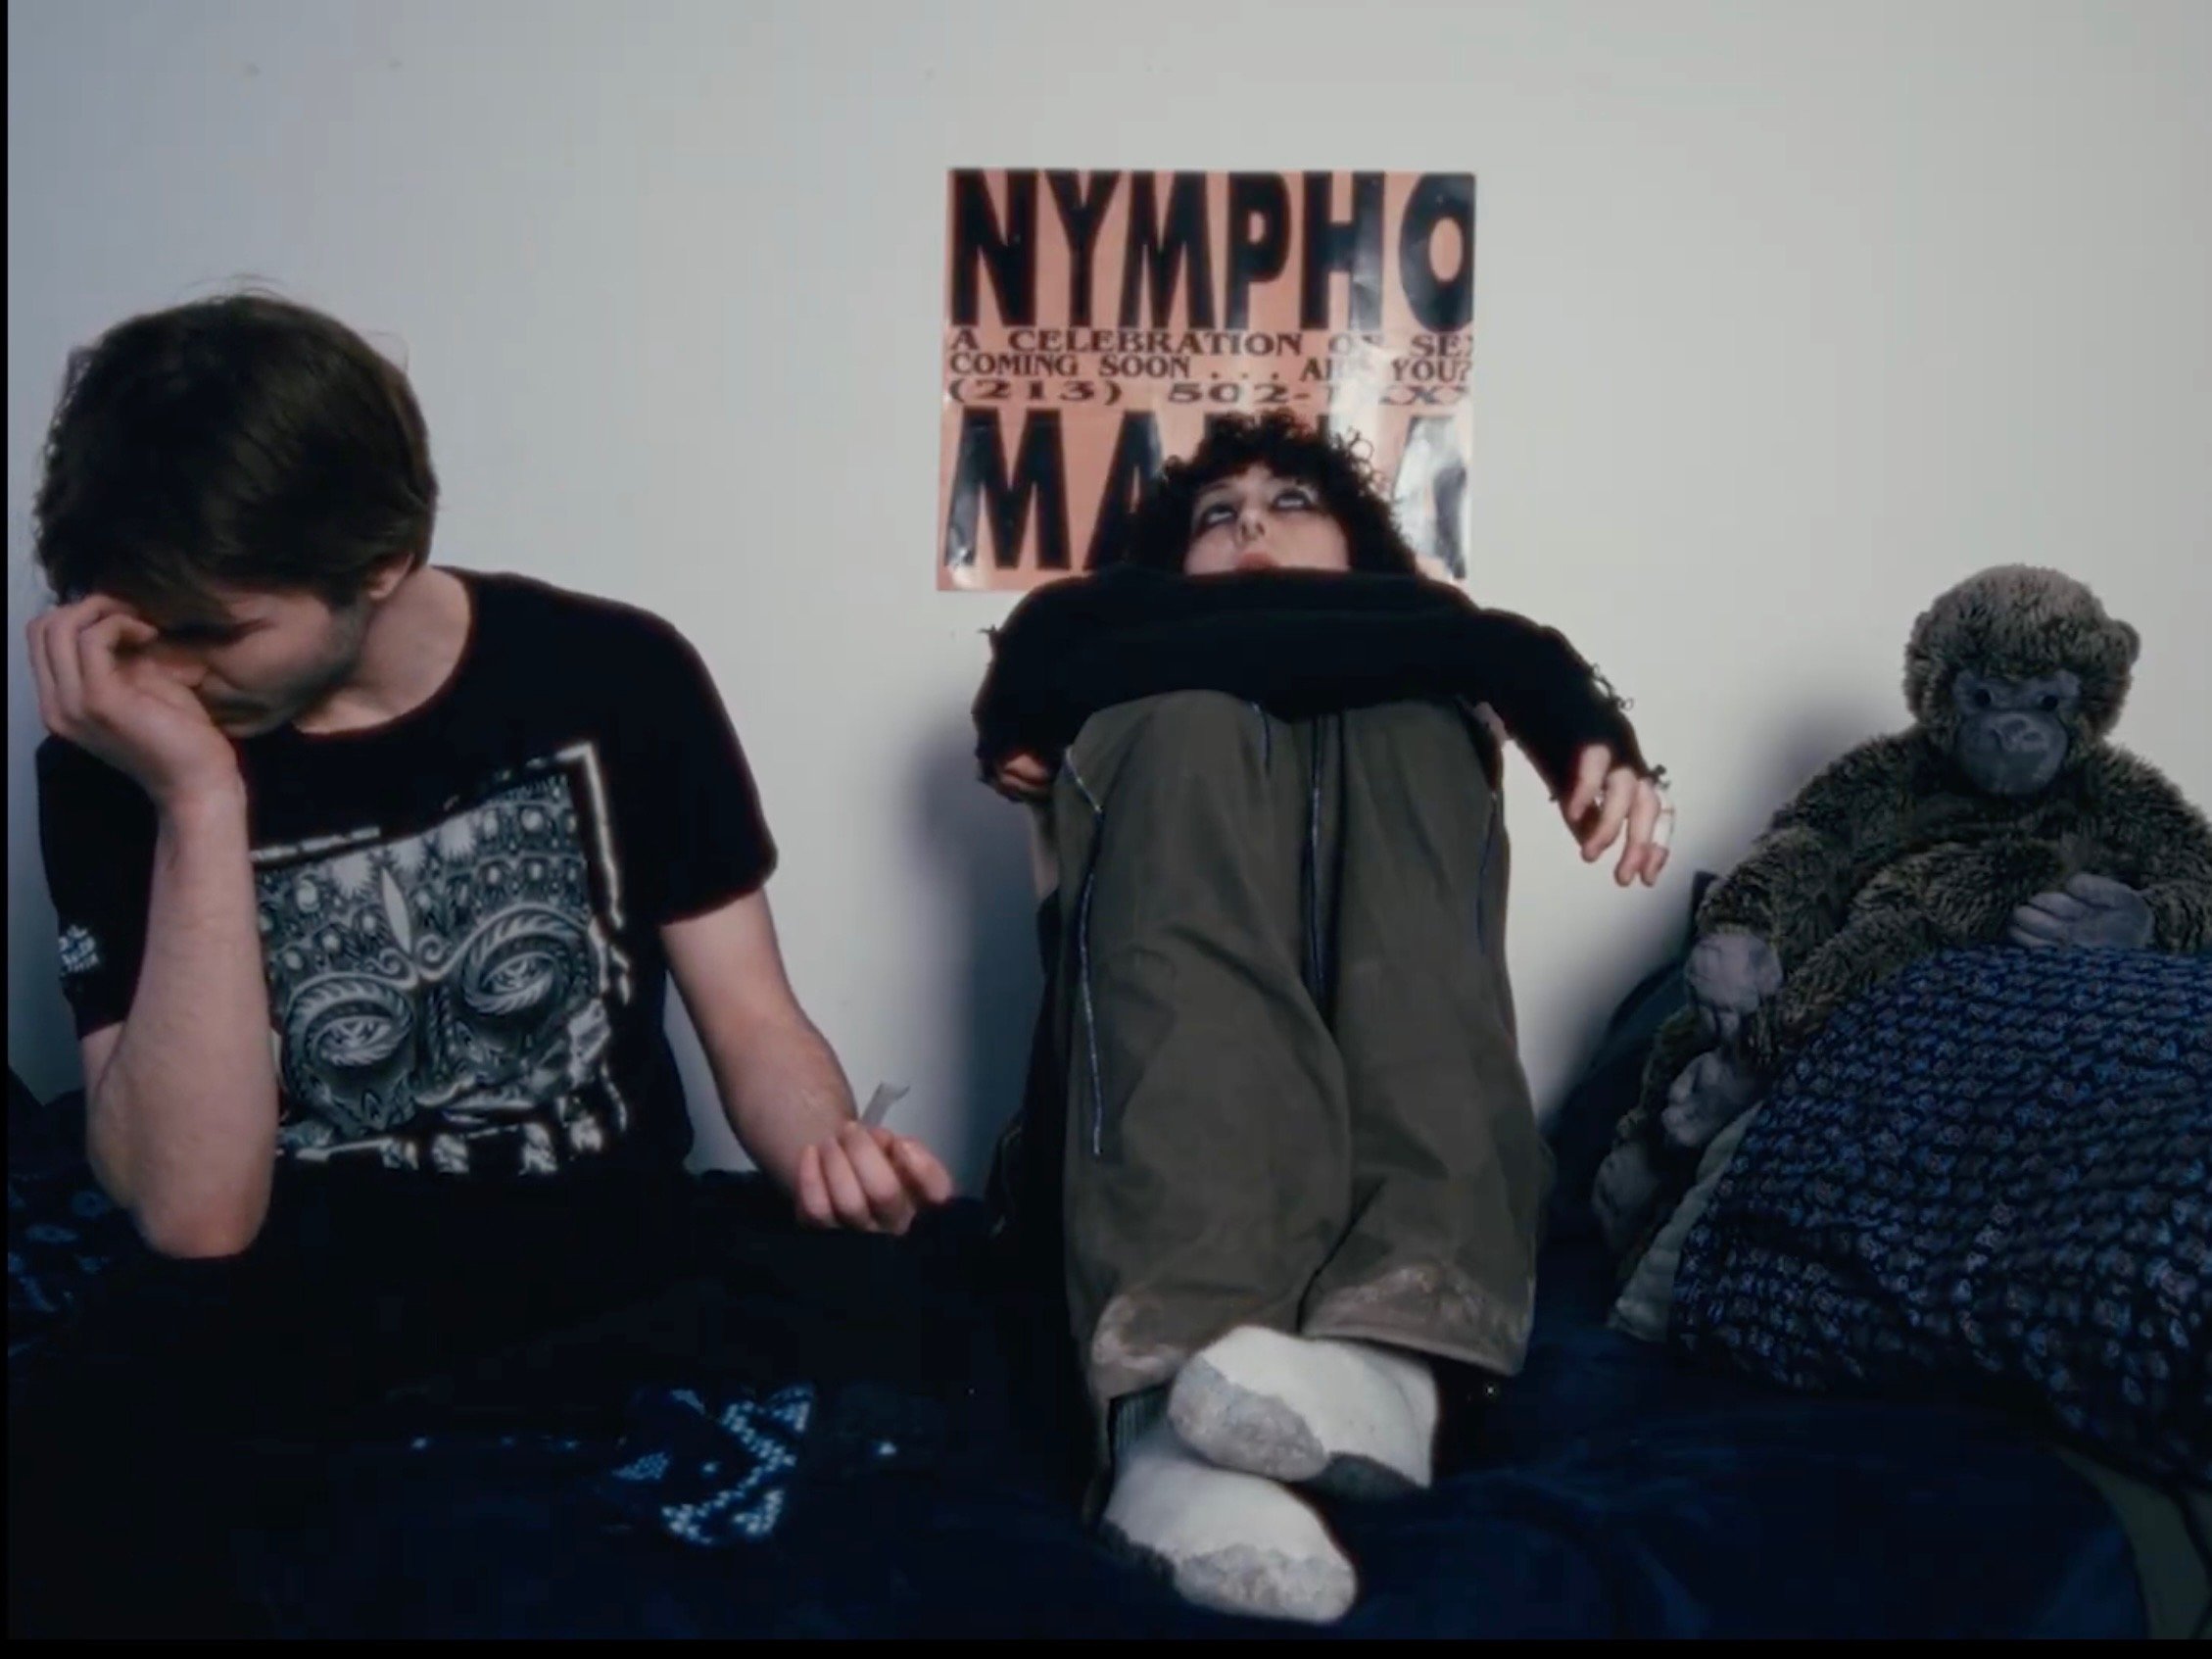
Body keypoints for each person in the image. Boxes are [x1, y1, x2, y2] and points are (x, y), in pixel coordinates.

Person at [11, 293, 953, 1634]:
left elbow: (753, 1024)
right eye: (128, 625)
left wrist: (824, 1151)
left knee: (908, 1365)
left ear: (381, 557)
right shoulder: (117, 760)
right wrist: (196, 802)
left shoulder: (612, 672)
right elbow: (192, 1216)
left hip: (600, 1260)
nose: (160, 671)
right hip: (296, 1297)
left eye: (211, 633)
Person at [972, 412, 1671, 1624]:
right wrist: (1517, 665)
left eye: (1291, 503)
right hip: (1127, 1203)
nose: (1249, 526)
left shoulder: (1425, 674)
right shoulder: (1084, 634)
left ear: (1358, 551)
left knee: (1409, 717)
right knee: (1184, 715)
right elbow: (1055, 667)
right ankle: (1162, 1438)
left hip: (1394, 1220)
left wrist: (1514, 681)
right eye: (1215, 515)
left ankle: (1392, 1367)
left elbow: (1437, 646)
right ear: (1159, 564)